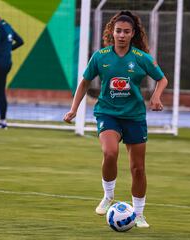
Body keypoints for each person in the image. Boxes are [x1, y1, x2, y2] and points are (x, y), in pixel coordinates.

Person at [64, 10, 168, 228]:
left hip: (134, 116)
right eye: (118, 31)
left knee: (138, 168)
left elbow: (162, 79)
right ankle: (108, 196)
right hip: (108, 113)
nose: (121, 35)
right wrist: (73, 109)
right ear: (112, 32)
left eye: (126, 32)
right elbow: (84, 83)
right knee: (110, 152)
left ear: (133, 34)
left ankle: (138, 214)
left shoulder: (141, 58)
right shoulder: (100, 56)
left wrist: (156, 96)